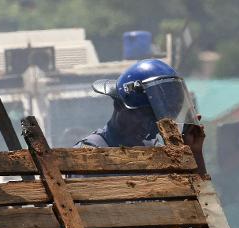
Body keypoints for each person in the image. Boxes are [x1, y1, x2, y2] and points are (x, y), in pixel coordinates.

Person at [75, 59, 205, 171]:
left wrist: (193, 153)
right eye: (145, 117)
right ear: (118, 105)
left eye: (156, 120)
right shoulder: (88, 154)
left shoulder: (156, 150)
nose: (152, 131)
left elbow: (197, 191)